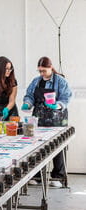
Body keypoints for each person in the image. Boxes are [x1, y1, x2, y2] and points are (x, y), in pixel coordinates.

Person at [22, 56, 72, 187]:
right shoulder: (36, 81)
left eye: (44, 70)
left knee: (57, 146)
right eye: (40, 71)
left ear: (50, 68)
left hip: (56, 118)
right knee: (37, 146)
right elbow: (29, 95)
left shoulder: (60, 81)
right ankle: (36, 176)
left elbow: (66, 98)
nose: (42, 73)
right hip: (39, 117)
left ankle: (58, 177)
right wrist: (27, 103)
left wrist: (58, 105)